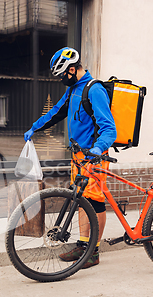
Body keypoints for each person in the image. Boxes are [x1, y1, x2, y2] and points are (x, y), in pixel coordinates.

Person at [24, 47, 116, 268]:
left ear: (72, 69)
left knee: (95, 202)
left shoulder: (94, 90)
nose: (61, 79)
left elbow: (109, 129)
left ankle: (93, 251)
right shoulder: (74, 89)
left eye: (62, 75)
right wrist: (35, 128)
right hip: (78, 157)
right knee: (82, 201)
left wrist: (97, 149)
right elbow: (56, 111)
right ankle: (84, 245)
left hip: (94, 157)